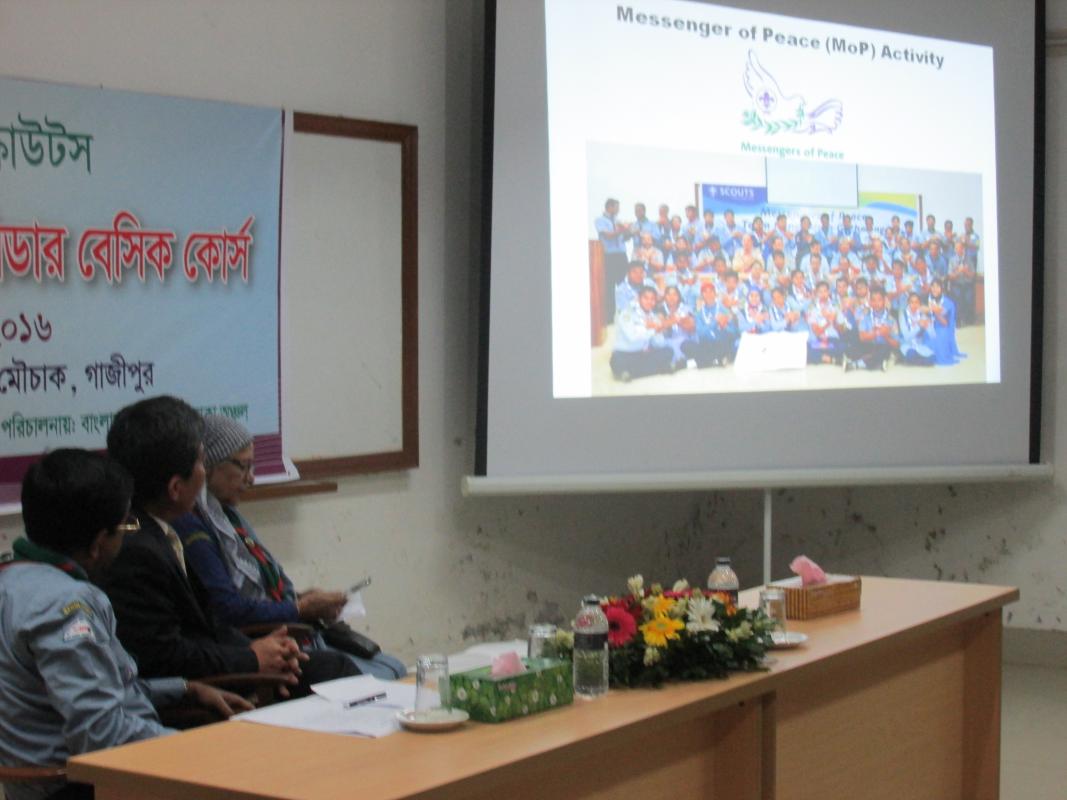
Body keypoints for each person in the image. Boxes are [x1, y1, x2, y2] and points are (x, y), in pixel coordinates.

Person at [0, 450, 251, 800]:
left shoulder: (12, 580)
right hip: (86, 786)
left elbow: (96, 688)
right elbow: (102, 733)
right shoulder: (67, 606)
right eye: (124, 527)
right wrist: (200, 750)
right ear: (99, 542)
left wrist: (184, 688)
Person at [103, 396, 358, 692]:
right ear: (176, 487)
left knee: (331, 665)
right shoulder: (137, 551)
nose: (204, 469)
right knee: (335, 670)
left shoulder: (160, 530)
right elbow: (165, 657)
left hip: (223, 660)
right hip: (205, 688)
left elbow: (207, 623)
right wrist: (250, 658)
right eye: (201, 461)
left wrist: (267, 649)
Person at [175, 416, 407, 680]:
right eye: (243, 466)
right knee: (368, 676)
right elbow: (229, 609)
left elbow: (260, 591)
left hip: (281, 631)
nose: (251, 478)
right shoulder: (194, 527)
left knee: (393, 667)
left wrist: (300, 599)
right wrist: (300, 608)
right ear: (210, 465)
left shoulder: (228, 519)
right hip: (255, 646)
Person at [610, 286, 674, 381]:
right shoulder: (626, 313)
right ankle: (658, 369)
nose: (649, 302)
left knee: (668, 351)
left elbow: (658, 344)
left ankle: (630, 373)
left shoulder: (653, 316)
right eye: (646, 298)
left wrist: (659, 330)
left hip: (642, 354)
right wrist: (651, 329)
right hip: (625, 353)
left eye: (652, 299)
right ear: (638, 298)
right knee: (616, 360)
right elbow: (633, 336)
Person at [682, 281, 737, 367]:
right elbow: (700, 333)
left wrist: (724, 326)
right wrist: (715, 322)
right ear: (702, 295)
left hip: (721, 343)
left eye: (711, 291)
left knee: (724, 343)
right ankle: (711, 360)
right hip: (706, 344)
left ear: (715, 294)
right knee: (686, 345)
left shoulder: (724, 310)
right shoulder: (699, 313)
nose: (708, 294)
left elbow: (734, 332)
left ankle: (702, 360)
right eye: (705, 292)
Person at [844, 288, 898, 371]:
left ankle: (856, 364)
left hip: (882, 346)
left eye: (879, 300)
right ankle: (876, 360)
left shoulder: (891, 319)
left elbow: (896, 344)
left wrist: (886, 336)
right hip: (868, 344)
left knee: (884, 350)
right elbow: (862, 337)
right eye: (873, 300)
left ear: (884, 301)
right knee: (851, 349)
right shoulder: (866, 316)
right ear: (870, 302)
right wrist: (878, 333)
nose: (876, 303)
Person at [595, 198, 630, 318]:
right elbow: (608, 235)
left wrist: (628, 232)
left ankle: (625, 315)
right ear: (610, 207)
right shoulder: (600, 220)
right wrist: (621, 230)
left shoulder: (618, 221)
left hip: (621, 255)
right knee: (609, 286)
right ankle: (609, 317)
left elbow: (623, 237)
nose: (618, 210)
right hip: (609, 256)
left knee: (624, 285)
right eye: (617, 207)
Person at [927, 279, 965, 365]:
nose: (934, 289)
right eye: (932, 286)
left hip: (943, 328)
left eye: (937, 286)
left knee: (939, 337)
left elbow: (945, 323)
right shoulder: (927, 298)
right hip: (929, 325)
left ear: (942, 288)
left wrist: (934, 310)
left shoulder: (947, 302)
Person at [898, 292, 936, 365]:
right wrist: (918, 326)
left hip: (919, 345)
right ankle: (913, 360)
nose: (914, 305)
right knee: (911, 354)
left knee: (932, 359)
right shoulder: (903, 315)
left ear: (919, 304)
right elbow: (906, 337)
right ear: (908, 303)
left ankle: (914, 361)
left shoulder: (922, 314)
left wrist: (929, 326)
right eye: (911, 302)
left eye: (916, 302)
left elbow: (933, 336)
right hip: (907, 344)